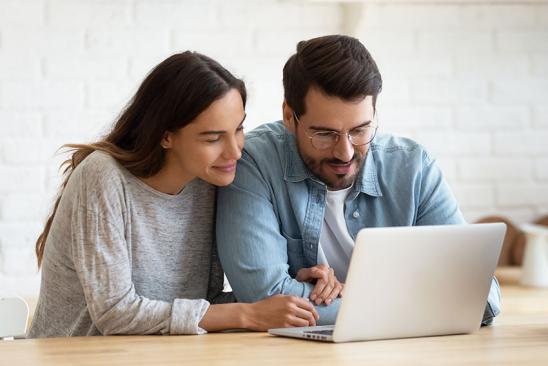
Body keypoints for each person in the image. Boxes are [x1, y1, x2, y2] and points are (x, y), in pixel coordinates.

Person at [27, 51, 320, 338]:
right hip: (74, 357)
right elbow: (115, 312)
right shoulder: (103, 176)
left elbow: (198, 308)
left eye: (239, 128)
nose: (235, 151)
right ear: (166, 136)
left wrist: (283, 298)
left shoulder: (208, 182)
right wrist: (247, 314)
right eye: (213, 137)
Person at [216, 35, 501, 326]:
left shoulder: (414, 167)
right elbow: (263, 297)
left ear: (375, 114)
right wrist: (413, 303)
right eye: (325, 134)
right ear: (290, 116)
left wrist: (348, 297)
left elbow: (481, 296)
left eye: (360, 130)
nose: (345, 152)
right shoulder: (254, 163)